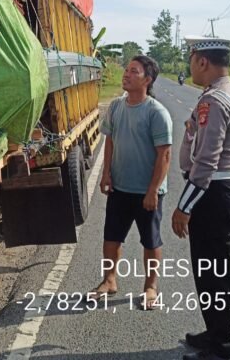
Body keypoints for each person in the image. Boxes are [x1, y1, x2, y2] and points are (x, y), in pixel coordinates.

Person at [171, 37, 230, 360]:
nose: (190, 66)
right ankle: (216, 332)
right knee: (211, 271)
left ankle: (224, 345)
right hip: (222, 192)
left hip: (214, 195)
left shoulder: (214, 101)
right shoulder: (229, 92)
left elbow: (206, 163)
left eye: (191, 60)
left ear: (202, 61)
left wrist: (184, 207)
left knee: (216, 274)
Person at [92, 55, 173, 308]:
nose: (126, 74)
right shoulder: (116, 106)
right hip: (120, 187)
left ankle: (150, 287)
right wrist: (106, 173)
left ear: (147, 80)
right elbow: (110, 140)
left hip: (147, 191)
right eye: (126, 70)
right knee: (112, 236)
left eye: (134, 71)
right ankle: (109, 280)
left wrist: (153, 191)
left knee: (150, 240)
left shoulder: (156, 112)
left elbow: (164, 155)